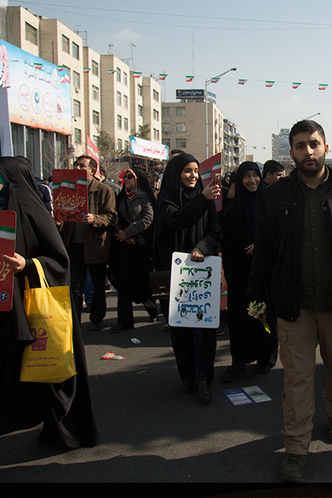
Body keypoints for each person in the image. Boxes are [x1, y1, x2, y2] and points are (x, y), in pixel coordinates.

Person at [248, 120, 332, 482]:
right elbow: (263, 253)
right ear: (290, 151)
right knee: (296, 379)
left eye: (313, 144)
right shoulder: (274, 195)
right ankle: (295, 447)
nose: (308, 152)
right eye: (300, 146)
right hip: (294, 307)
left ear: (325, 146)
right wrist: (256, 298)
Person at [0, 157, 99, 480]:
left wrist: (27, 265)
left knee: (43, 376)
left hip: (28, 316)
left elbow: (59, 262)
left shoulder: (33, 212)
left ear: (9, 182)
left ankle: (57, 429)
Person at [154, 153, 222, 405]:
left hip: (201, 274)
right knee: (180, 329)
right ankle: (187, 375)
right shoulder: (166, 198)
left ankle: (204, 379)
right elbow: (175, 220)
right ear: (175, 174)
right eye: (187, 171)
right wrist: (202, 201)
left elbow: (215, 232)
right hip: (175, 275)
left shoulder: (205, 196)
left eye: (196, 171)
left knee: (203, 329)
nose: (193, 176)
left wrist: (202, 248)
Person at [220, 162, 278, 382]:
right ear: (239, 180)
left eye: (255, 175)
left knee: (259, 315)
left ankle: (265, 356)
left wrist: (260, 246)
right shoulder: (233, 207)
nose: (252, 180)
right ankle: (239, 361)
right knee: (237, 318)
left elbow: (278, 235)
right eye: (247, 176)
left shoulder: (267, 203)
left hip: (260, 276)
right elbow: (225, 237)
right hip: (238, 275)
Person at [59, 155, 117, 330]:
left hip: (95, 245)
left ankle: (97, 317)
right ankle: (74, 320)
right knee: (75, 285)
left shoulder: (104, 190)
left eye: (81, 166)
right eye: (75, 165)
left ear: (92, 170)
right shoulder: (68, 189)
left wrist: (95, 219)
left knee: (98, 285)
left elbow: (112, 217)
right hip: (74, 244)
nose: (77, 168)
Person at [109, 168, 156, 333]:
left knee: (142, 282)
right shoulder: (120, 198)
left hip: (141, 246)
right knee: (122, 283)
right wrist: (119, 233)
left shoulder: (146, 198)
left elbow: (148, 219)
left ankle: (152, 308)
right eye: (124, 177)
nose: (126, 180)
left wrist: (129, 233)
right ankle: (125, 321)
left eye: (129, 177)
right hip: (123, 247)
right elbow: (114, 217)